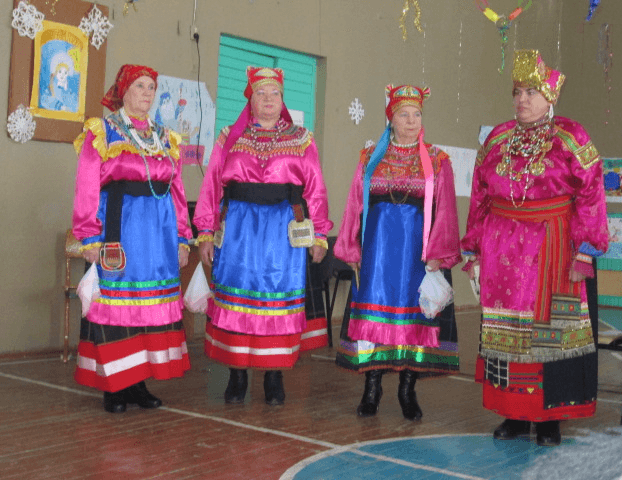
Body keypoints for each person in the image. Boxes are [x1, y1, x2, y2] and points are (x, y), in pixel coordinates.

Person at [462, 50, 609, 446]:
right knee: (505, 330)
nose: (521, 99)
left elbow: (593, 192)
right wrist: (473, 247)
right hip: (501, 251)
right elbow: (479, 196)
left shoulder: (571, 136)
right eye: (517, 92)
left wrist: (586, 249)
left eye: (530, 91)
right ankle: (513, 414)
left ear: (550, 96)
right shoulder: (496, 138)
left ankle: (548, 419)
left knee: (548, 332)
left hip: (552, 248)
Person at [193, 66, 333, 406]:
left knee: (276, 299)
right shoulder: (230, 137)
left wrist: (320, 234)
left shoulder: (302, 138)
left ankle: (274, 374)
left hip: (282, 233)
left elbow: (315, 189)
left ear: (282, 100)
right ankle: (237, 373)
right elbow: (212, 184)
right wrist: (206, 232)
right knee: (239, 298)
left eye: (274, 94)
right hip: (239, 229)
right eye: (261, 94)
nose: (268, 100)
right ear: (250, 100)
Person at [334, 84, 462, 420]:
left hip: (416, 256)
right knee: (375, 319)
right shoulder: (370, 157)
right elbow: (354, 204)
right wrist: (349, 244)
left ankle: (408, 389)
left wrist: (439, 254)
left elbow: (446, 209)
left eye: (417, 114)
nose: (411, 121)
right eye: (403, 114)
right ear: (390, 118)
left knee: (414, 318)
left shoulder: (438, 160)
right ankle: (372, 386)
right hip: (377, 253)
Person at [72, 64, 192, 413]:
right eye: (140, 86)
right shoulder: (103, 131)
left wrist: (183, 237)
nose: (147, 93)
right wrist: (89, 235)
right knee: (116, 308)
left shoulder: (166, 137)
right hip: (118, 228)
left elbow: (178, 190)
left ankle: (138, 383)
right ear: (123, 91)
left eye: (152, 87)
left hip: (158, 233)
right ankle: (115, 385)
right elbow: (86, 186)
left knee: (147, 308)